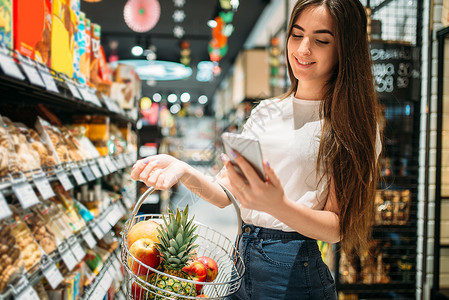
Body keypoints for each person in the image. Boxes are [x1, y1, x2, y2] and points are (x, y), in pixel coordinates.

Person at [131, 0, 382, 298]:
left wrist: (278, 205)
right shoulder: (267, 112)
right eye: (297, 34)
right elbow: (226, 194)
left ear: (345, 49)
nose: (303, 49)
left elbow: (336, 227)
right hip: (241, 257)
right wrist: (183, 170)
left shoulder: (349, 125)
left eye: (321, 40)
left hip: (294, 269)